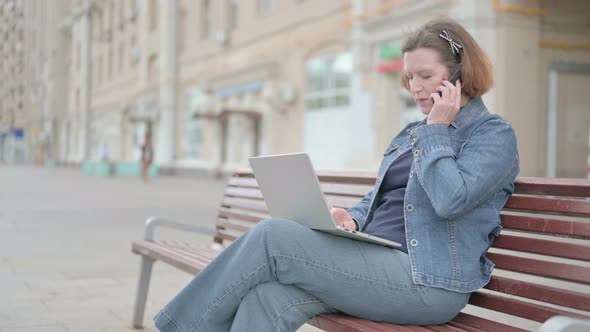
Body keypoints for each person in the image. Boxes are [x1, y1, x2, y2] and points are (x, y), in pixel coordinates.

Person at [153, 17, 519, 332]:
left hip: (430, 282)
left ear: (459, 74)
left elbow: (450, 200)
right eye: (409, 77)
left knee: (272, 237)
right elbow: (384, 199)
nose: (416, 87)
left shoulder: (492, 135)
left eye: (426, 75)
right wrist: (355, 220)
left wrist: (437, 130)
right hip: (378, 262)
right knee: (267, 297)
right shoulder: (412, 133)